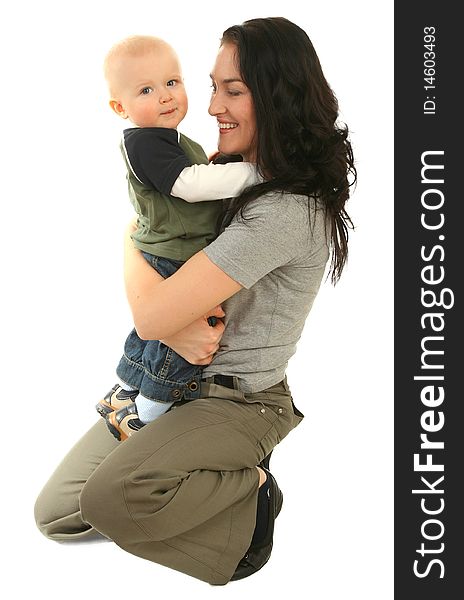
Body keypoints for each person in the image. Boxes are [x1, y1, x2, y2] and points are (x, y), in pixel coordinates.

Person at [34, 17, 356, 585]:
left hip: (235, 402)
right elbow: (138, 236)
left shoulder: (283, 208)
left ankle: (251, 492)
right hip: (174, 377)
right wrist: (166, 323)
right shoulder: (227, 175)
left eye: (233, 90)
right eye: (211, 87)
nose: (210, 107)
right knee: (58, 515)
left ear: (277, 96)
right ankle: (167, 484)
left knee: (109, 503)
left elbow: (150, 310)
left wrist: (163, 319)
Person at [97, 35, 259, 440]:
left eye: (173, 82)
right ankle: (148, 416)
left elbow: (193, 171)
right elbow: (188, 184)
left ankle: (126, 389)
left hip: (170, 249)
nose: (167, 97)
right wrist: (255, 174)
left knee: (153, 339)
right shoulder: (145, 141)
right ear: (121, 108)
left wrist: (217, 164)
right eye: (147, 90)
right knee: (182, 345)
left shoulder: (165, 139)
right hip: (175, 254)